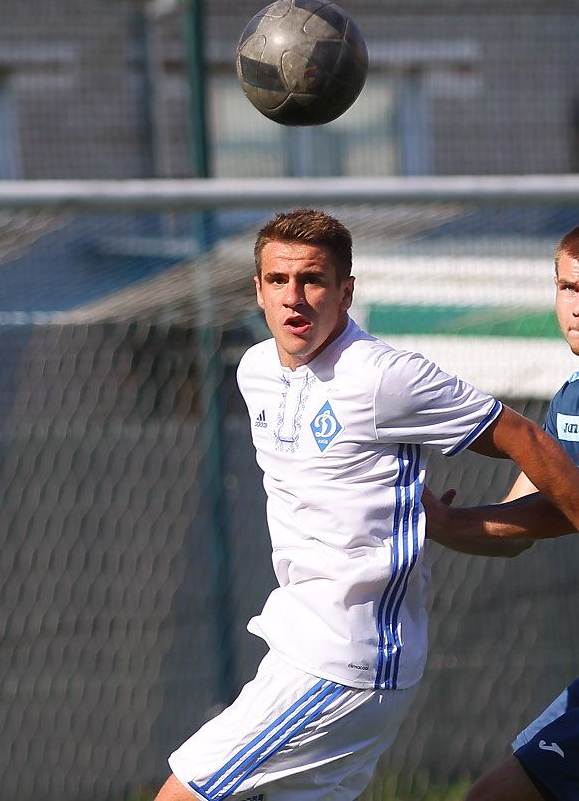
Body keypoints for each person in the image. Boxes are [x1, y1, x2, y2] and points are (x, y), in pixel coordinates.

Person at [153, 209, 579, 801]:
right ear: (256, 288)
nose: (294, 297)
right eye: (278, 280)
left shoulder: (382, 376)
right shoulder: (255, 370)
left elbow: (522, 437)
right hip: (302, 644)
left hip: (340, 656)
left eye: (313, 280)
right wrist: (450, 522)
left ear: (345, 291)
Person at [426, 223, 579, 801]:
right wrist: (437, 524)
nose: (577, 306)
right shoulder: (572, 395)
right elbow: (522, 519)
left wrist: (458, 523)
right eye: (568, 288)